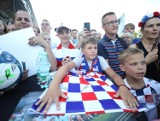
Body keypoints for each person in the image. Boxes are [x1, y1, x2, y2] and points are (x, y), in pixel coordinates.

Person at [35, 36, 138, 114]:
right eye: (89, 48)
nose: (93, 50)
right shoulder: (79, 58)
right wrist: (54, 85)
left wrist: (122, 86)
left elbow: (114, 75)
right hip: (83, 89)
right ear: (82, 51)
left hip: (98, 89)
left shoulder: (101, 59)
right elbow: (65, 68)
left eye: (95, 48)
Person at [118, 48, 160, 121]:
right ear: (122, 67)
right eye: (134, 64)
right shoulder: (120, 91)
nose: (141, 67)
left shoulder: (156, 85)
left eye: (143, 62)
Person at [130, 11, 160, 82]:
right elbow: (128, 73)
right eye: (150, 26)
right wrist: (146, 61)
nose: (155, 28)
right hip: (142, 89)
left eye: (158, 25)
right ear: (142, 30)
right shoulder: (134, 48)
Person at [98, 12, 128, 79]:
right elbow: (106, 68)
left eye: (116, 21)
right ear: (103, 27)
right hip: (110, 83)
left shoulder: (123, 42)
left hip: (127, 80)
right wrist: (120, 82)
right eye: (111, 22)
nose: (115, 25)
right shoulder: (100, 44)